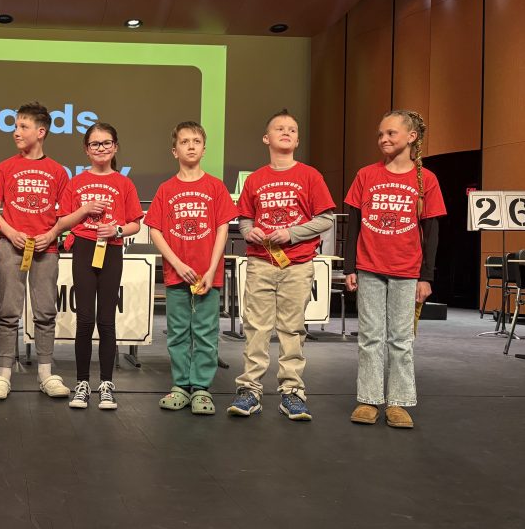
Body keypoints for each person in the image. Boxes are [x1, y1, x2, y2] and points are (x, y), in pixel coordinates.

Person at [228, 110, 335, 421]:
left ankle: (292, 391)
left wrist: (291, 233)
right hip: (261, 262)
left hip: (298, 264)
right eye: (279, 128)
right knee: (256, 328)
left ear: (298, 139)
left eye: (292, 129)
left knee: (292, 328)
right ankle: (250, 389)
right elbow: (245, 219)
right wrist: (250, 232)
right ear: (267, 138)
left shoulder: (310, 176)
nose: (286, 132)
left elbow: (325, 219)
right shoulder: (256, 179)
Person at [344, 110, 445, 429]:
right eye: (380, 135)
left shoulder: (426, 180)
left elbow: (432, 232)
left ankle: (399, 402)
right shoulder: (365, 175)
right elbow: (354, 225)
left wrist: (426, 276)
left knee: (401, 339)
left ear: (411, 137)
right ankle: (369, 399)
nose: (384, 139)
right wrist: (350, 268)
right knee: (370, 337)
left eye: (391, 133)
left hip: (407, 271)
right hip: (370, 268)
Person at [0, 102, 77, 401]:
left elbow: (67, 214)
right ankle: (3, 374)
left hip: (46, 249)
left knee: (45, 312)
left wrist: (52, 233)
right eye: (15, 126)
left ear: (41, 131)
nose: (16, 132)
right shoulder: (6, 167)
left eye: (22, 127)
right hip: (11, 248)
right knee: (8, 312)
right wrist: (9, 232)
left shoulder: (57, 171)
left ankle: (46, 373)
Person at [144, 121, 237, 415]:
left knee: (206, 332)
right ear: (175, 151)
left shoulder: (215, 186)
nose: (191, 146)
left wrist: (211, 269)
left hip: (209, 275)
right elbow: (155, 231)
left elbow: (223, 229)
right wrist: (177, 263)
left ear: (204, 148)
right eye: (185, 142)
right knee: (178, 332)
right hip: (177, 274)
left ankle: (201, 388)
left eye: (197, 141)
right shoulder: (166, 189)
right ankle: (181, 386)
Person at [59, 123, 144, 411]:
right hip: (83, 249)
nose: (101, 149)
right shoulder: (75, 182)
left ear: (115, 147)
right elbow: (63, 222)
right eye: (95, 144)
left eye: (106, 143)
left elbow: (135, 222)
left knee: (106, 320)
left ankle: (106, 383)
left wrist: (117, 230)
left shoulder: (124, 183)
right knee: (84, 320)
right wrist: (84, 211)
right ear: (86, 149)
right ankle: (82, 383)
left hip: (112, 251)